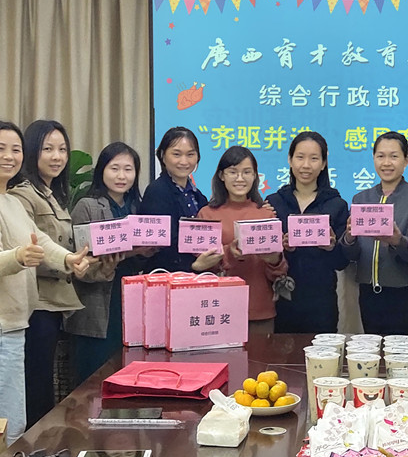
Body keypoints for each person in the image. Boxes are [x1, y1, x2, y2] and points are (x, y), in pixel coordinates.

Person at [0, 121, 92, 444]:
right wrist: (18, 256)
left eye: (16, 150)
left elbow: (39, 239)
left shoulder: (8, 199)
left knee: (7, 415)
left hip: (11, 319)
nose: (9, 157)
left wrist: (68, 259)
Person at [10, 120, 84, 427]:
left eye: (62, 149)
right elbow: (27, 250)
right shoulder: (22, 195)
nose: (57, 156)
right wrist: (67, 261)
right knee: (36, 382)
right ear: (31, 151)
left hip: (53, 303)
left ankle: (42, 443)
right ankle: (32, 448)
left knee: (45, 381)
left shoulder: (51, 194)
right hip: (36, 304)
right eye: (48, 149)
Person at [64, 142, 151, 383]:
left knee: (128, 372)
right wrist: (110, 263)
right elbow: (76, 262)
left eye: (128, 169)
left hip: (130, 298)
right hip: (97, 303)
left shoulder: (137, 208)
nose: (121, 176)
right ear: (102, 170)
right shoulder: (87, 206)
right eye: (114, 168)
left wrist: (144, 252)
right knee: (93, 378)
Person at [340, 131, 408, 336]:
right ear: (373, 158)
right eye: (381, 156)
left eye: (394, 156)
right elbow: (351, 255)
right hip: (368, 293)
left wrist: (398, 241)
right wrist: (349, 238)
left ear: (406, 160)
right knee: (371, 352)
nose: (386, 163)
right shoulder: (361, 199)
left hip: (405, 294)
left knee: (402, 353)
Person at [196, 146, 288, 334]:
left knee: (261, 354)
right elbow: (202, 267)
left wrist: (274, 260)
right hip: (218, 309)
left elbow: (279, 271)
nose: (240, 178)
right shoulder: (206, 214)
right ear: (221, 175)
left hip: (259, 308)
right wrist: (229, 253)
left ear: (255, 176)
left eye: (247, 172)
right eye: (233, 172)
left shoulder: (266, 214)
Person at [265, 131, 349, 333]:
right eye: (300, 157)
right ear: (290, 159)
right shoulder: (273, 203)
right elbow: (264, 254)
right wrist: (281, 248)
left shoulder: (337, 205)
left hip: (321, 302)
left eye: (314, 159)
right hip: (282, 298)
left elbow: (342, 262)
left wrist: (331, 247)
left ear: (324, 163)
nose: (306, 165)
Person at [140, 126, 209, 273]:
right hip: (165, 277)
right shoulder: (157, 191)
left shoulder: (197, 195)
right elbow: (161, 246)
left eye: (190, 154)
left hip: (194, 276)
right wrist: (194, 266)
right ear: (163, 156)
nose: (184, 161)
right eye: (176, 154)